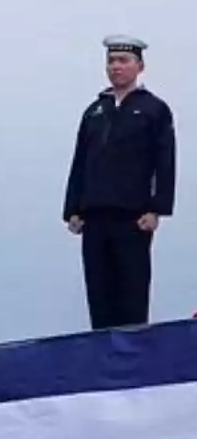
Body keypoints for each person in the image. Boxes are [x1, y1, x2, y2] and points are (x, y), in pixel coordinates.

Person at [63, 34, 176, 330]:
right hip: (95, 215)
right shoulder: (95, 111)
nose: (116, 67)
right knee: (99, 294)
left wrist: (157, 208)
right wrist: (72, 209)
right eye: (111, 61)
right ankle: (101, 361)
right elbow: (80, 162)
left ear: (139, 65)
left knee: (131, 290)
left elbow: (164, 163)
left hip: (132, 216)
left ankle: (133, 362)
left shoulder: (153, 109)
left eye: (123, 61)